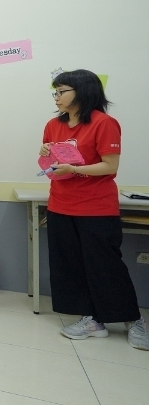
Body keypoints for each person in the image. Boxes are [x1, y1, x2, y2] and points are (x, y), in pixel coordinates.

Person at [40, 69, 147, 349]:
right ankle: (92, 320)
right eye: (55, 92)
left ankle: (133, 319)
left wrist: (74, 169)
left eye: (61, 91)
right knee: (70, 265)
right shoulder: (53, 125)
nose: (56, 97)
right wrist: (45, 155)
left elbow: (109, 166)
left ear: (83, 91)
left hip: (95, 207)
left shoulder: (104, 123)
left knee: (106, 266)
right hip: (60, 203)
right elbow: (52, 165)